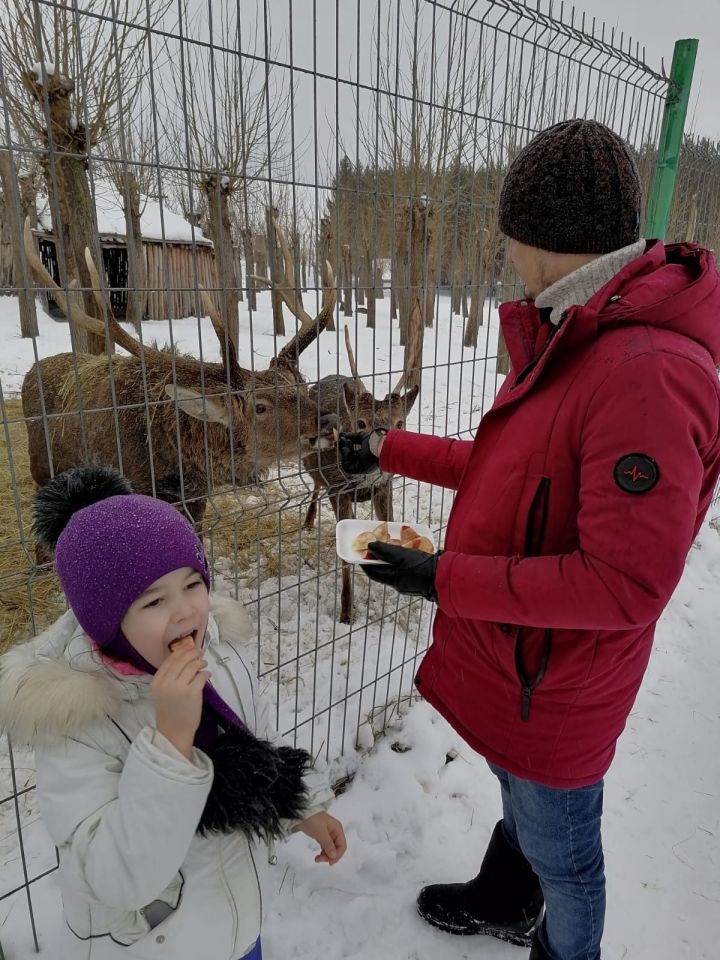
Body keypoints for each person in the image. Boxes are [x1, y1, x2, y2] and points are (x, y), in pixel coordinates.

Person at [338, 119, 720, 960]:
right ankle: (508, 900)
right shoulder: (585, 333)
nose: (505, 251)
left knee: (567, 852)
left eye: (512, 233)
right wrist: (387, 447)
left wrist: (446, 579)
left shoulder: (642, 373)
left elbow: (624, 584)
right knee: (526, 798)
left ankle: (563, 949)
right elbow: (516, 465)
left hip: (559, 682)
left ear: (546, 239)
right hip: (528, 664)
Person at [0, 465, 346, 960]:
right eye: (154, 601)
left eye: (192, 584)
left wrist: (303, 807)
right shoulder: (77, 718)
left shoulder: (219, 655)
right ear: (107, 621)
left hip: (235, 923)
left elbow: (255, 742)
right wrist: (169, 745)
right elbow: (116, 880)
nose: (186, 612)